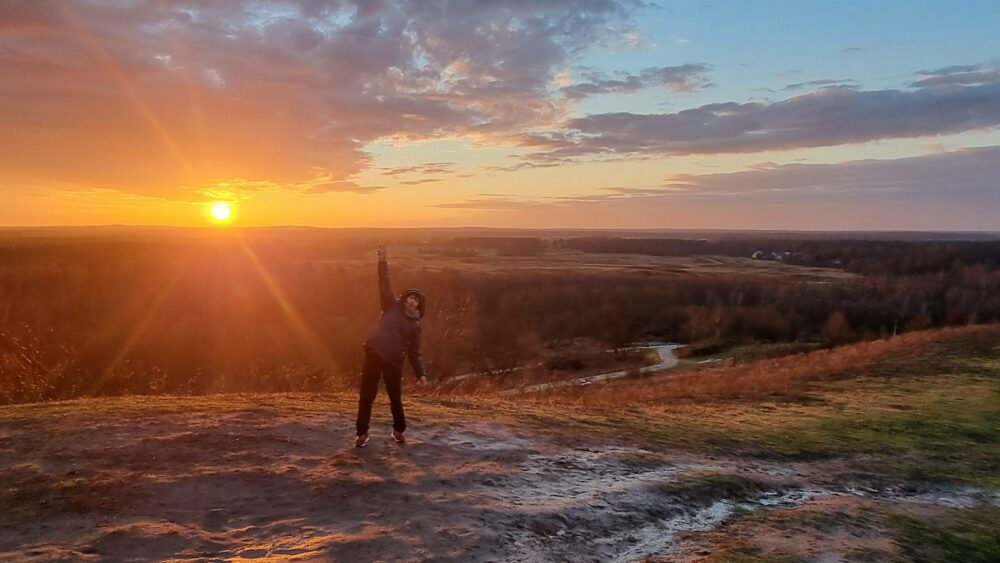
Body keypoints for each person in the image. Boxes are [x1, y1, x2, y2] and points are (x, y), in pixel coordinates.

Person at [355, 245, 429, 447]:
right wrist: (382, 261)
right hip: (374, 353)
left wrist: (421, 374)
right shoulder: (391, 305)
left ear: (419, 306)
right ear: (405, 298)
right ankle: (361, 434)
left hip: (394, 361)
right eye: (411, 297)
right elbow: (384, 284)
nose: (412, 301)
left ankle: (399, 431)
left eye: (416, 300)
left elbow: (415, 352)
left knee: (395, 397)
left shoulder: (415, 326)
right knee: (366, 395)